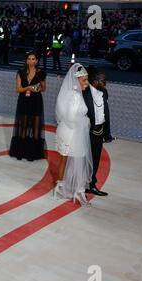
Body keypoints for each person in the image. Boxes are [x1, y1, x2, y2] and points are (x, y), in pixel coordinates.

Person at [54, 63, 93, 206]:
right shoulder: (75, 97)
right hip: (73, 132)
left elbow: (65, 115)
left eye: (87, 80)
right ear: (76, 80)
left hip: (65, 130)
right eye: (84, 80)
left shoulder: (70, 93)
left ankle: (60, 187)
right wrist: (86, 120)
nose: (87, 83)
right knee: (79, 161)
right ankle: (79, 190)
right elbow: (71, 118)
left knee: (64, 160)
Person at [10, 52, 47, 161]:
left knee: (36, 127)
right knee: (23, 125)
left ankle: (32, 153)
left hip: (36, 101)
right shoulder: (20, 72)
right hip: (24, 101)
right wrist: (29, 88)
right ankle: (20, 152)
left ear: (36, 61)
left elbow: (44, 88)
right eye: (29, 59)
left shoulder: (41, 73)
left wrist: (39, 87)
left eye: (33, 59)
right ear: (26, 60)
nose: (31, 61)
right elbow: (18, 89)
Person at [83, 66, 113, 197]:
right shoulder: (84, 92)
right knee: (83, 159)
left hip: (99, 131)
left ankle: (91, 185)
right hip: (86, 132)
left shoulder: (104, 92)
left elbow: (106, 113)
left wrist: (107, 133)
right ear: (95, 81)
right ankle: (79, 185)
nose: (105, 83)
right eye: (103, 81)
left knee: (95, 159)